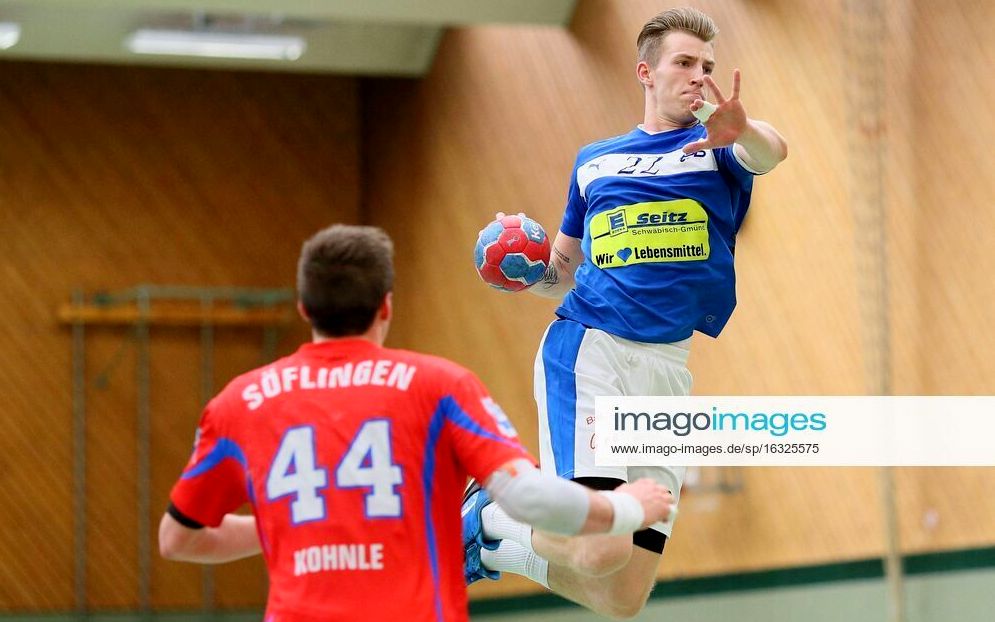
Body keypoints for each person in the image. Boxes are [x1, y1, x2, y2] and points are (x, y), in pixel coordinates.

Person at [158, 224, 675, 622]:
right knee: (612, 569)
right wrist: (626, 505)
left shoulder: (241, 401)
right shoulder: (438, 386)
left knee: (622, 596)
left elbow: (178, 540)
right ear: (385, 307)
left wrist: (293, 521)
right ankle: (485, 527)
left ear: (304, 308)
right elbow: (525, 496)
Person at [462, 7, 788, 619]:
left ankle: (492, 536)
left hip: (666, 374)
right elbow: (562, 272)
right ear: (646, 72)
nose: (698, 76)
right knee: (598, 548)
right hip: (593, 352)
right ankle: (494, 514)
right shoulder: (595, 162)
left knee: (620, 595)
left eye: (707, 65)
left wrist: (742, 129)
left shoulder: (719, 149)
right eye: (684, 63)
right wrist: (529, 275)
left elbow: (771, 152)